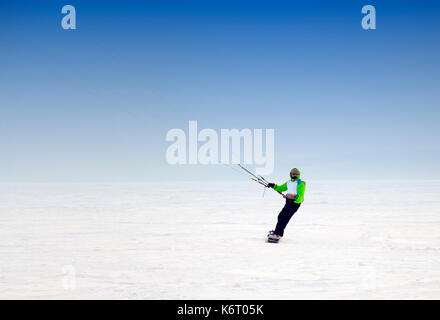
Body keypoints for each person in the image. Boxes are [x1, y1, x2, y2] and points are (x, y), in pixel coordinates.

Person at [266, 168, 306, 242]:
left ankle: (278, 234)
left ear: (298, 175)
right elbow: (281, 188)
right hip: (288, 202)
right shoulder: (288, 182)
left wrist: (295, 202)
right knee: (281, 216)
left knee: (285, 218)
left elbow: (301, 195)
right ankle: (277, 232)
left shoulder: (300, 183)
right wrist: (273, 185)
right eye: (293, 174)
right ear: (290, 174)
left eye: (296, 174)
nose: (294, 175)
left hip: (294, 204)